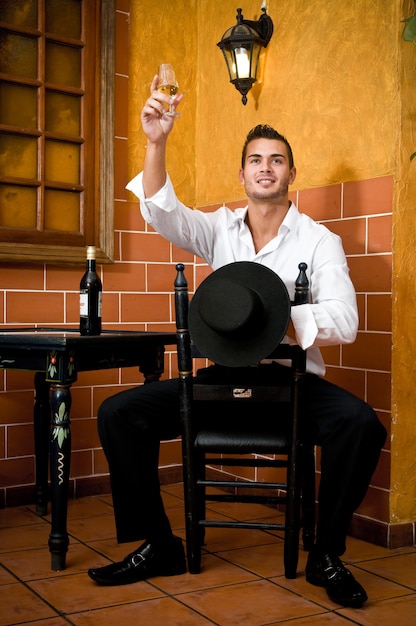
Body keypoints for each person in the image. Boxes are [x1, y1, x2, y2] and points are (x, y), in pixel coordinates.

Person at [88, 75, 387, 609]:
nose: (265, 167)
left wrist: (273, 319)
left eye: (276, 160)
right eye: (256, 159)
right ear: (243, 172)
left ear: (291, 173)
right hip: (221, 385)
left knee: (361, 424)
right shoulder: (218, 231)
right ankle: (160, 545)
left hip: (290, 386)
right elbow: (161, 211)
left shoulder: (321, 241)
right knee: (118, 413)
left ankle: (325, 554)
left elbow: (346, 320)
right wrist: (156, 142)